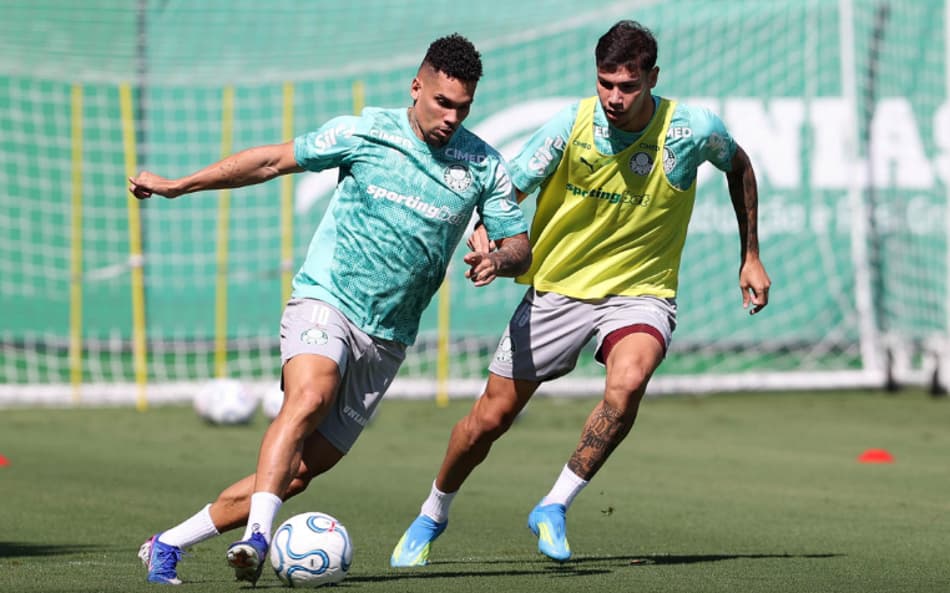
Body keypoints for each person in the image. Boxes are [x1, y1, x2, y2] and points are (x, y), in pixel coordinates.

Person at [130, 34, 531, 585]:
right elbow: (271, 161)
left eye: (462, 108)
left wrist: (498, 261)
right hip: (327, 299)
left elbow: (519, 245)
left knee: (297, 474)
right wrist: (180, 185)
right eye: (442, 102)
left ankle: (166, 545)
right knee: (309, 396)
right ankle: (259, 538)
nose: (451, 117)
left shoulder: (483, 164)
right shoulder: (365, 132)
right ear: (417, 87)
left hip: (388, 336)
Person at [390, 20, 771, 566]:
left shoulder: (690, 129)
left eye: (628, 86)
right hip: (559, 290)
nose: (614, 97)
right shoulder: (571, 125)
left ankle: (554, 505)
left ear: (652, 78)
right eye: (605, 83)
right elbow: (510, 188)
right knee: (487, 422)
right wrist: (489, 237)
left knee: (629, 383)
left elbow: (740, 165)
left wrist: (750, 255)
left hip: (641, 291)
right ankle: (432, 512)